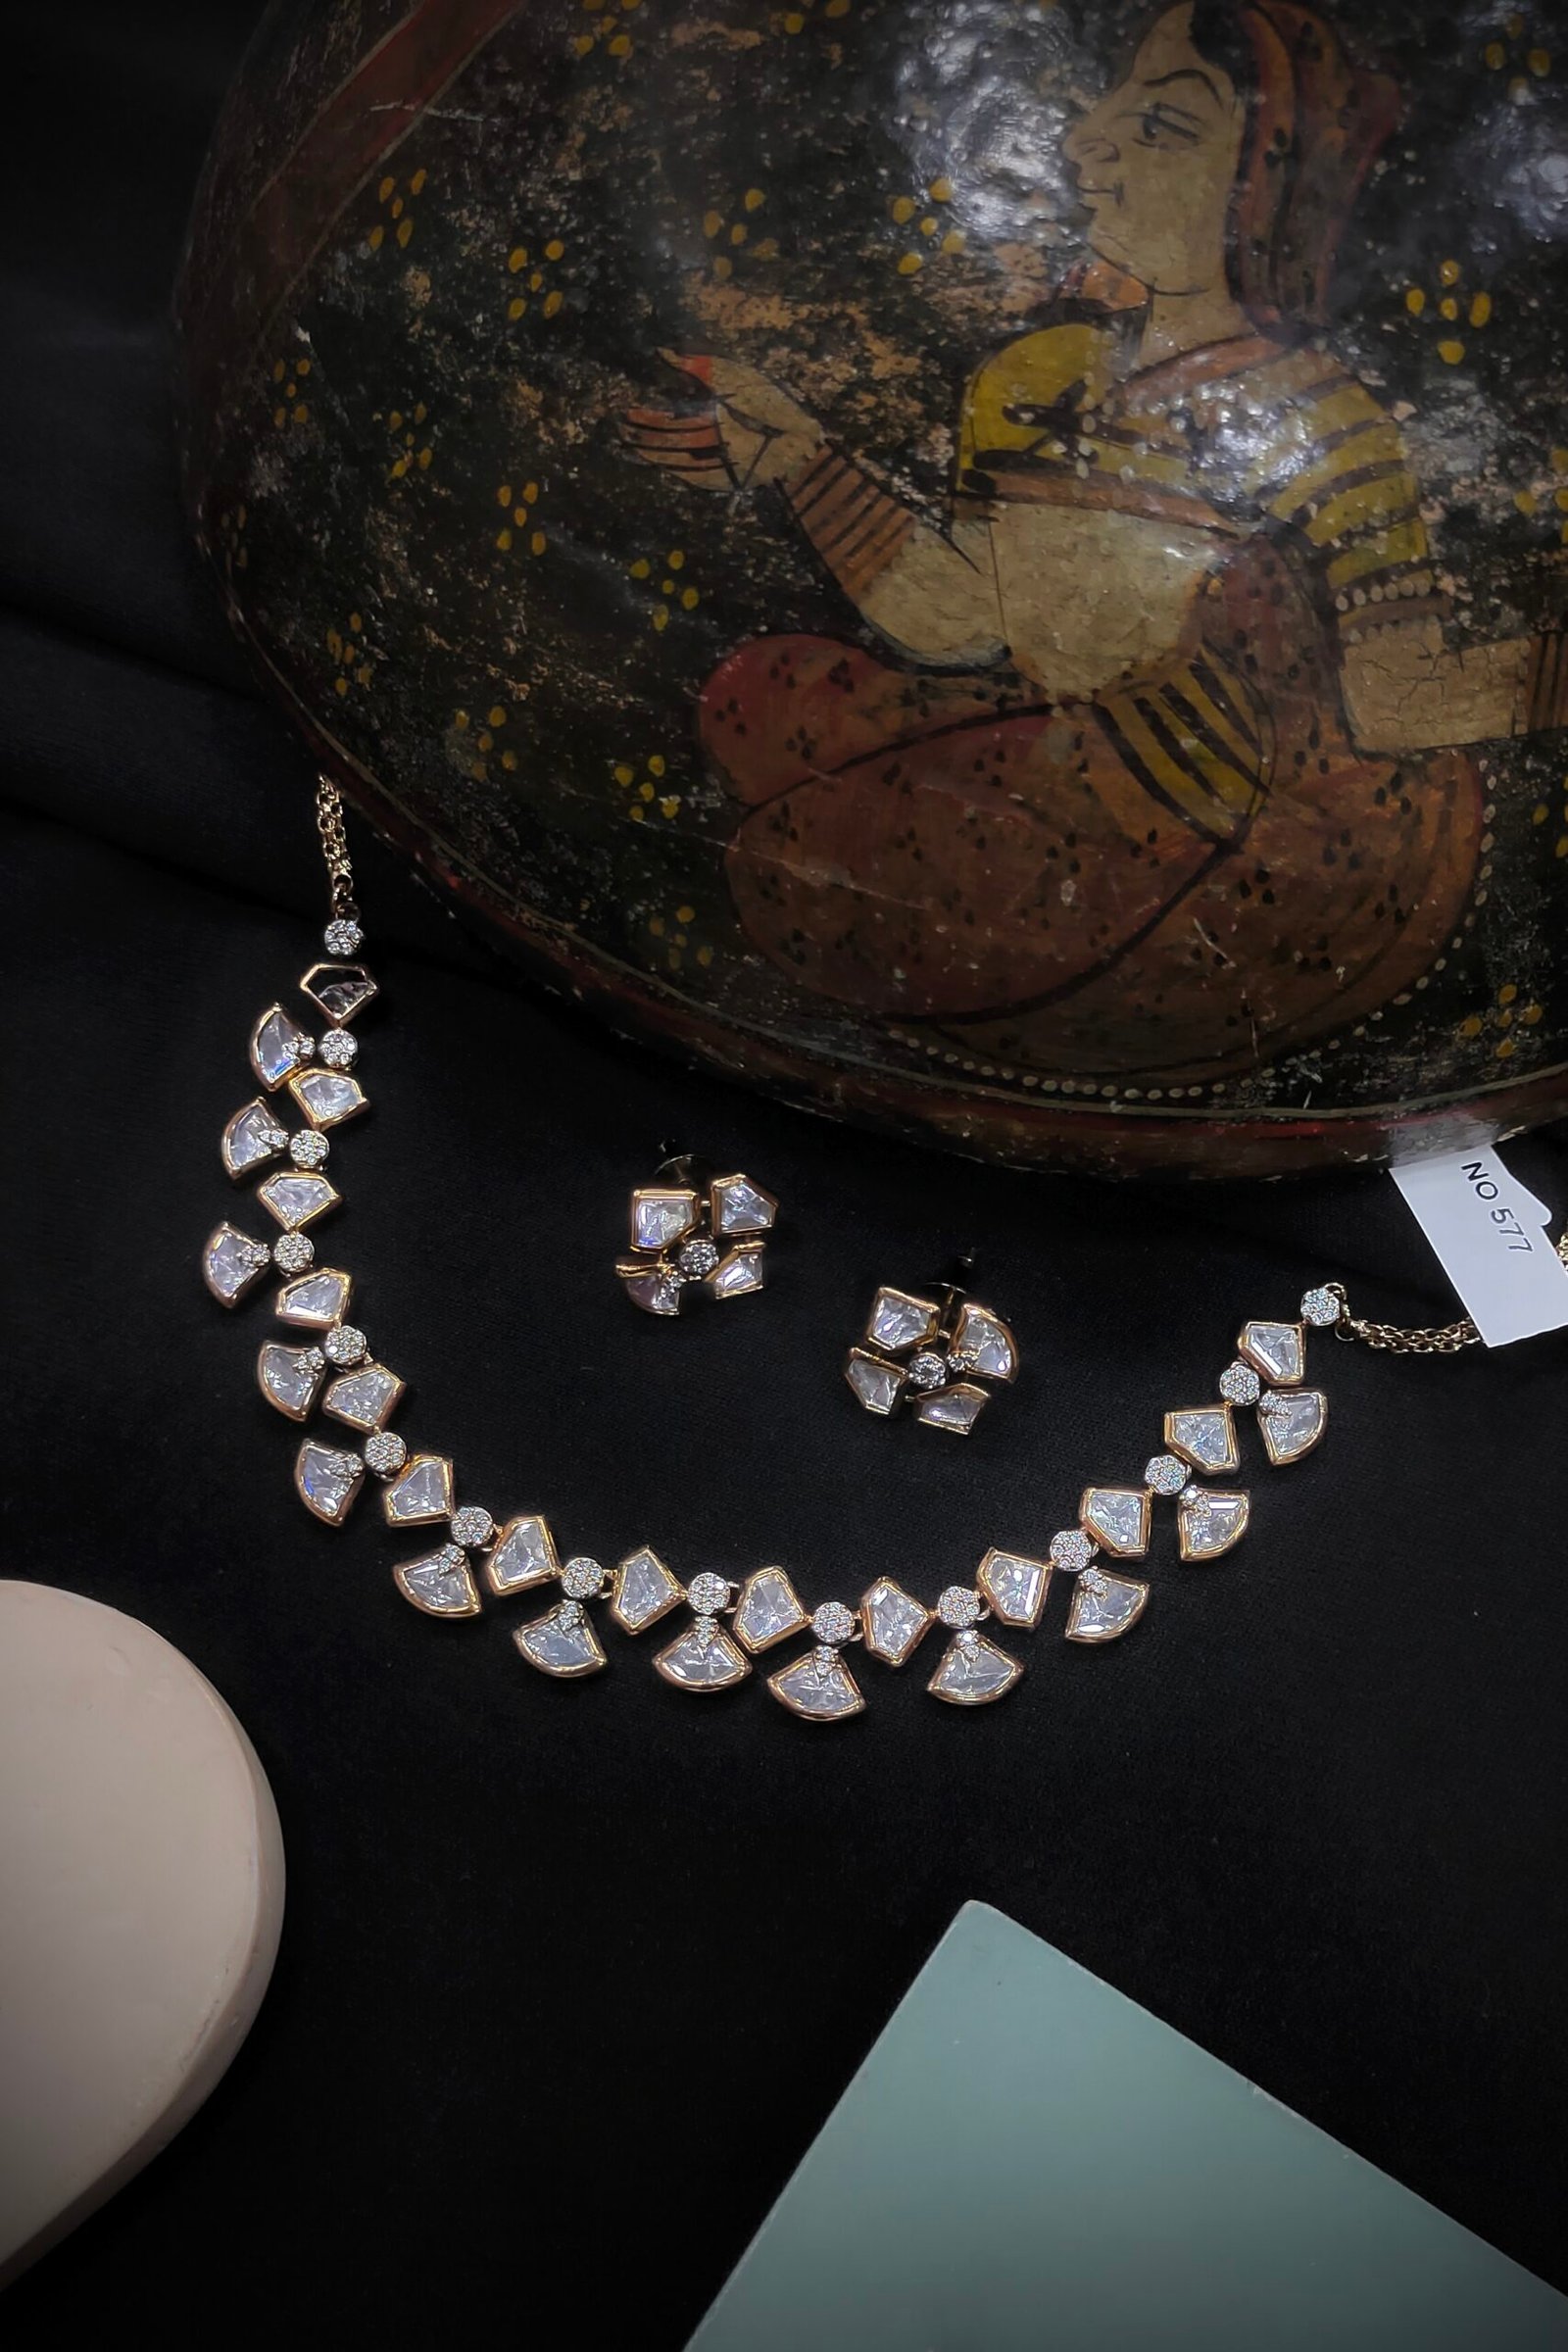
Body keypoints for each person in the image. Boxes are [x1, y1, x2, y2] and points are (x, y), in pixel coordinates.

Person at [622, 0, 1564, 1081]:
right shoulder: (1033, 373)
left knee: (799, 867)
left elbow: (1398, 700)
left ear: (1265, 192)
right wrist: (799, 462)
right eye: (1111, 104)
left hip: (1224, 827)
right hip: (1057, 740)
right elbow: (958, 619)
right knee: (758, 696)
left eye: (1161, 125)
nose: (1085, 140)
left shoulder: (1330, 422)